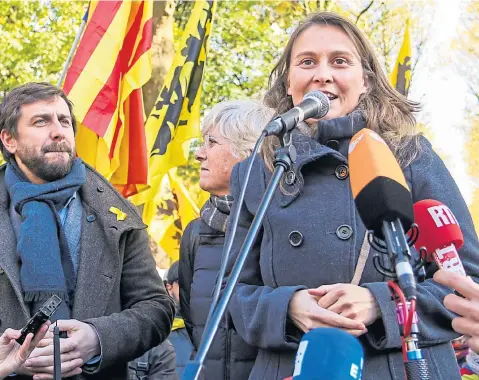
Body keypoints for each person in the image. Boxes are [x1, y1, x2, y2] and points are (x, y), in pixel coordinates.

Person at [225, 11, 479, 380]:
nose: (322, 74)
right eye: (307, 61)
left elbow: (467, 280)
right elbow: (231, 295)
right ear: (288, 82)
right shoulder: (255, 172)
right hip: (293, 367)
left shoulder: (410, 155)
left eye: (340, 61)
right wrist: (287, 307)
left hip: (399, 368)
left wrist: (382, 304)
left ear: (365, 82)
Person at [0, 82, 175, 379]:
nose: (58, 131)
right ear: (9, 140)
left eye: (64, 121)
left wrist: (98, 338)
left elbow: (157, 308)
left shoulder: (118, 215)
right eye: (41, 121)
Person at [178, 100, 274, 379]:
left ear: (248, 151)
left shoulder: (282, 227)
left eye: (211, 142)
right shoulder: (196, 233)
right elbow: (190, 318)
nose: (199, 154)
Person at [129, 261, 191, 379]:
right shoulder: (152, 328)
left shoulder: (204, 329)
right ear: (169, 286)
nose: (189, 288)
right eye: (183, 283)